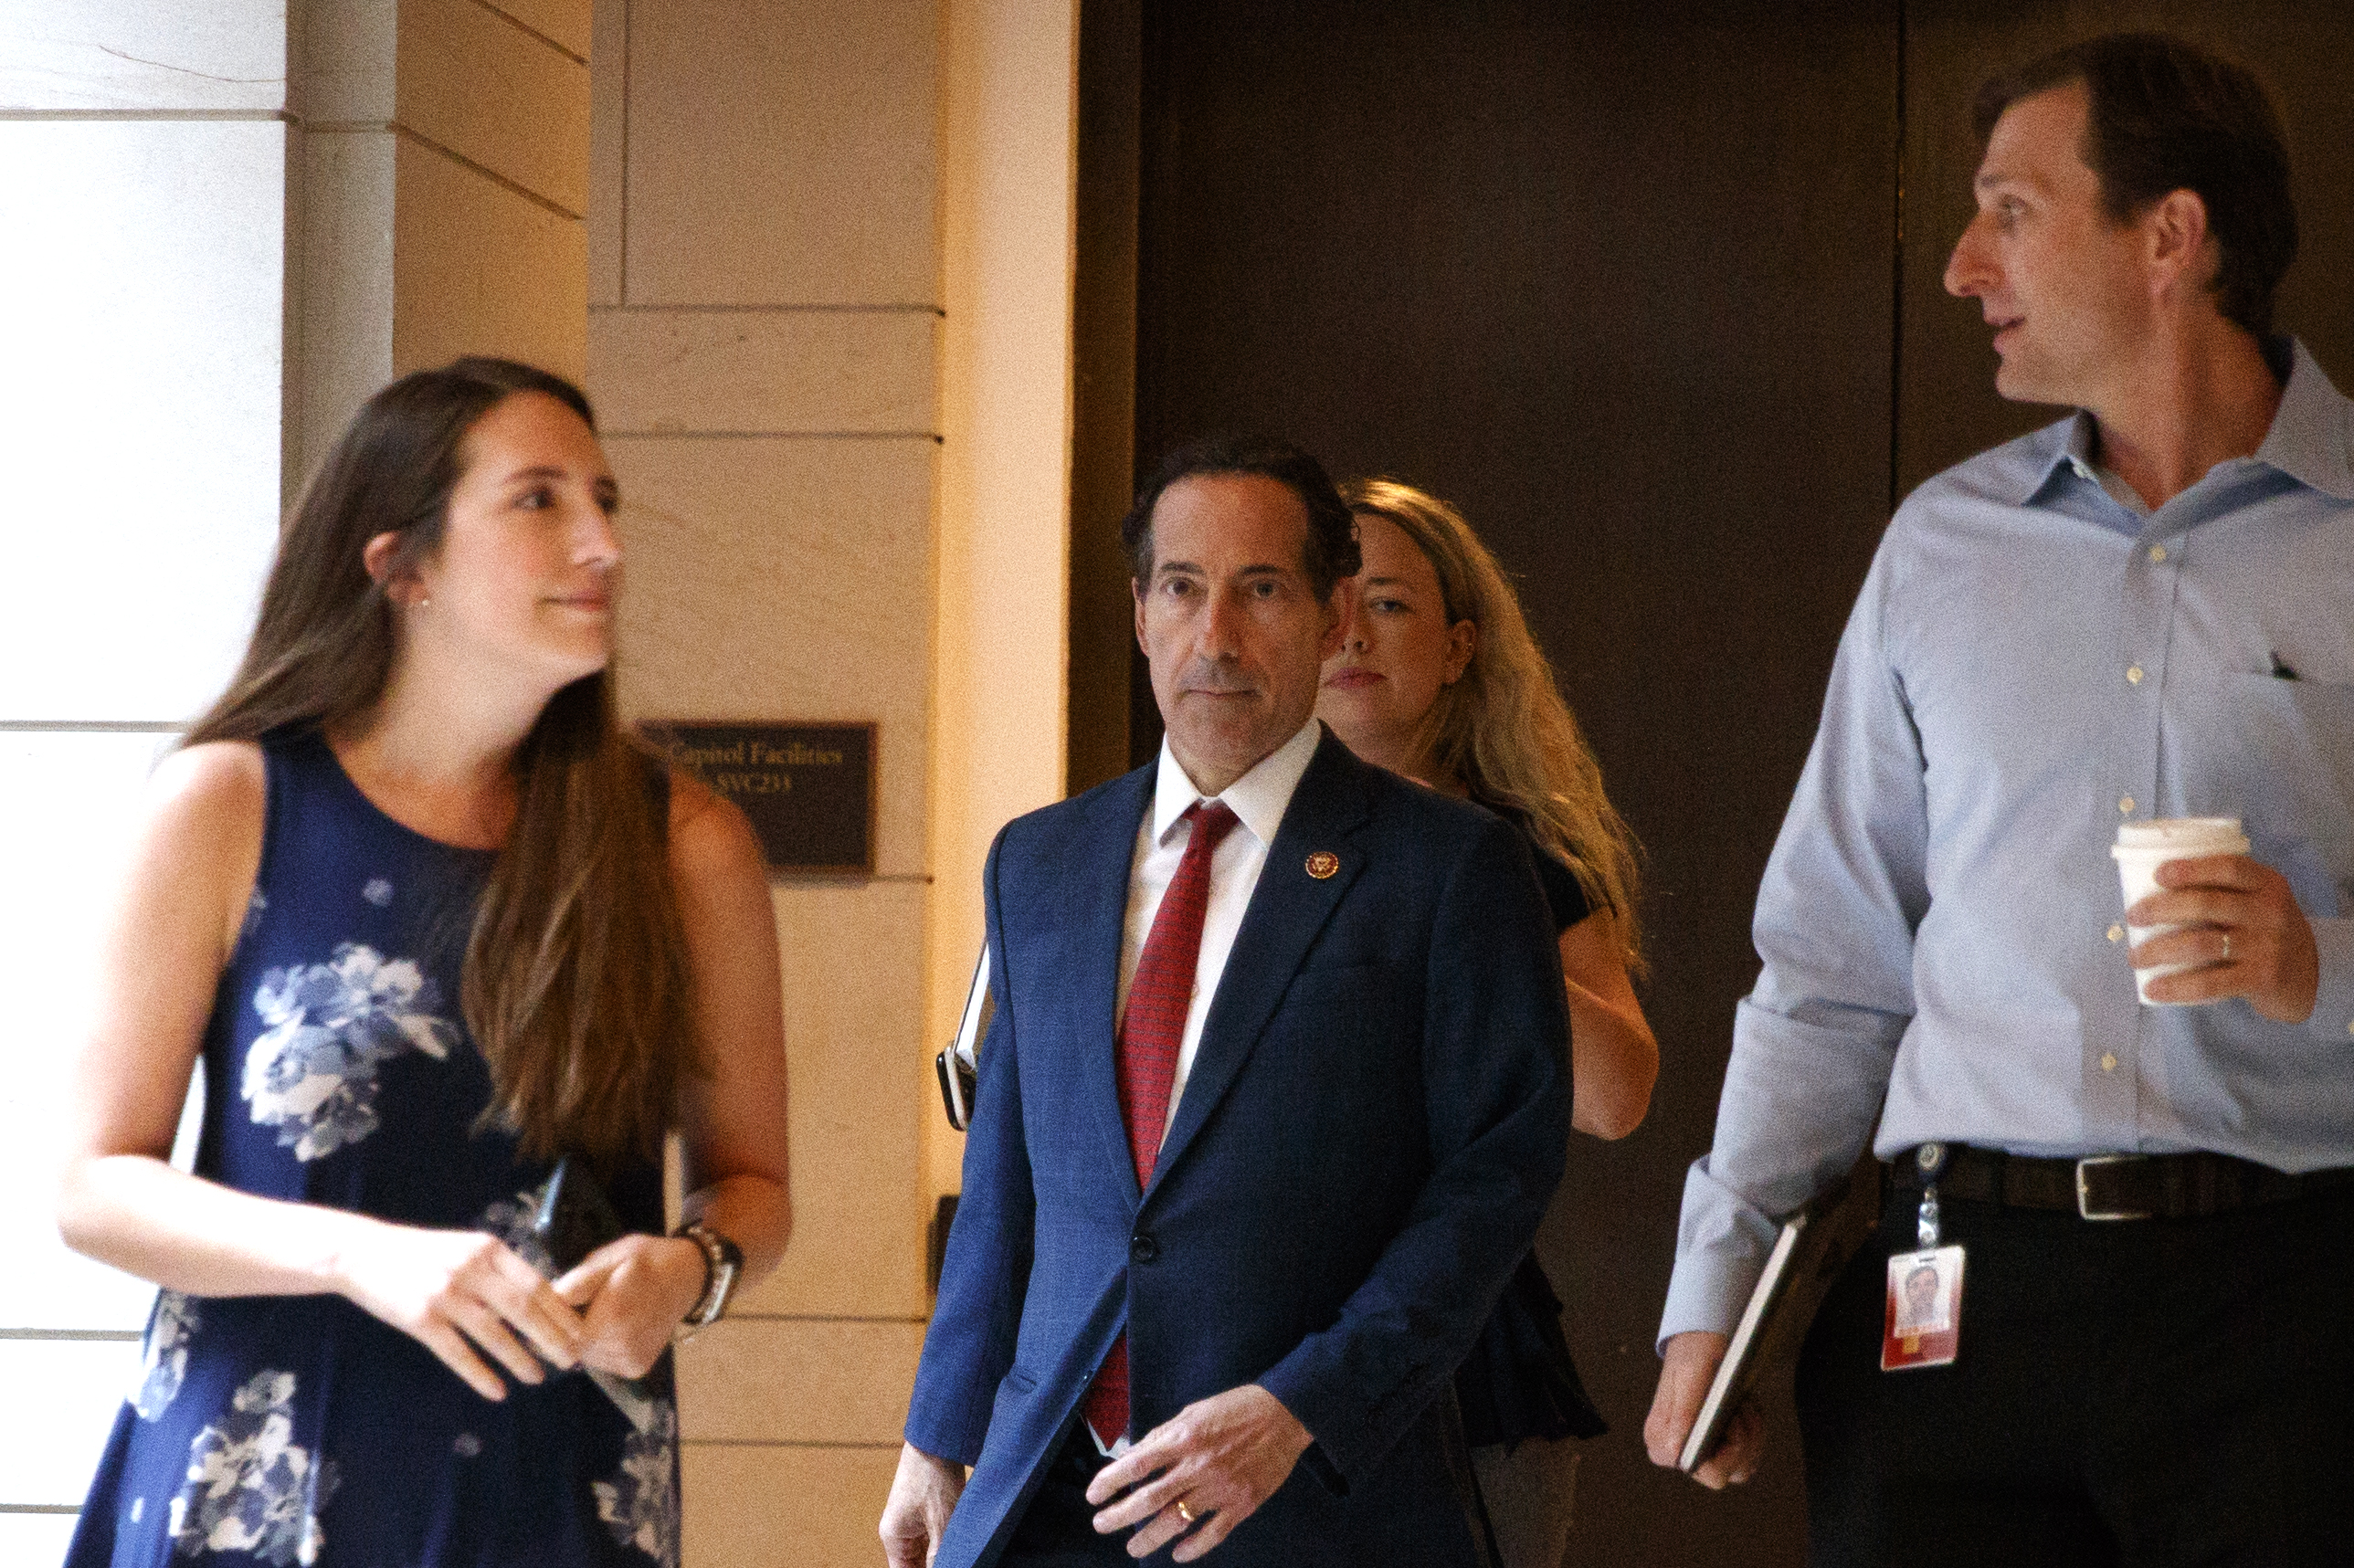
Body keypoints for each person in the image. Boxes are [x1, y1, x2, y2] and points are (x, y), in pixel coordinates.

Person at [1642, 32, 2354, 1564]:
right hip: (1945, 1310)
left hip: (2294, 1315)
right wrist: (1717, 1290)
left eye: (2010, 211)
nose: (1964, 265)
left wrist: (2321, 965)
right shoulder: (1936, 550)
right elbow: (1830, 971)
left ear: (2168, 235)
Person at [55, 358, 793, 1567]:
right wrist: (357, 1254)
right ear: (400, 565)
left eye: (603, 498)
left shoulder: (683, 843)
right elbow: (92, 1185)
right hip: (256, 1495)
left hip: (551, 1490)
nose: (602, 542)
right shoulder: (231, 802)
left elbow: (751, 1185)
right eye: (539, 500)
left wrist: (691, 1269)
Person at [879, 437, 1572, 1568]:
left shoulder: (1449, 870)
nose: (1218, 638)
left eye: (1262, 590)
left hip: (1306, 1502)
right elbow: (1005, 1173)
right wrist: (939, 1433)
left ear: (1334, 610)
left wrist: (1300, 1405)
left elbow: (1493, 1184)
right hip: (1052, 1492)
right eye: (1184, 590)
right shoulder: (1039, 863)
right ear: (1141, 612)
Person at [1314, 479, 1656, 1567]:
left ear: (1461, 647)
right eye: (1325, 601)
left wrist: (1454, 901)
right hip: (1249, 1337)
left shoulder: (1511, 856)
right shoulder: (1216, 847)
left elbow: (1616, 1097)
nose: (1352, 633)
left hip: (1468, 1361)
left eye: (1393, 606)